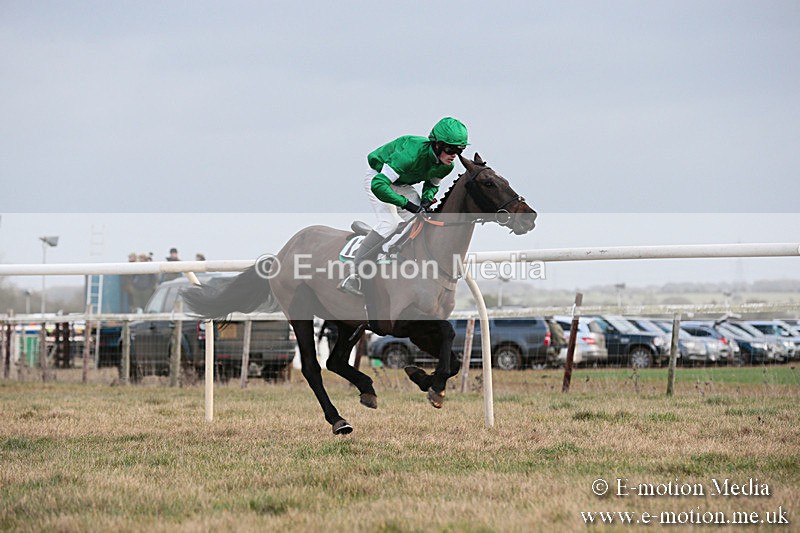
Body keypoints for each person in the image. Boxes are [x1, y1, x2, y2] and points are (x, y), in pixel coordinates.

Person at [339, 117, 469, 297]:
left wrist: (425, 200)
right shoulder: (409, 155)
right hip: (379, 178)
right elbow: (379, 185)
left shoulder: (446, 166)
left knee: (424, 220)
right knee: (390, 223)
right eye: (450, 149)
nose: (454, 154)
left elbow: (432, 184)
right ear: (437, 145)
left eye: (459, 150)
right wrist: (406, 204)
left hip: (402, 184)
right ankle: (353, 274)